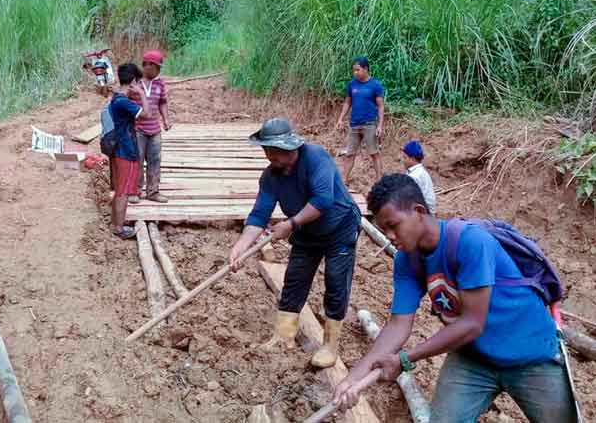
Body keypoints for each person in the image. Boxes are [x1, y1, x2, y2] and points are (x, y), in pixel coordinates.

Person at [333, 174, 578, 423]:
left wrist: (405, 359)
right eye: (383, 229)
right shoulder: (406, 260)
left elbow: (472, 323)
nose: (390, 236)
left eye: (393, 225)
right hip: (474, 358)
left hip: (531, 356)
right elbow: (398, 325)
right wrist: (352, 379)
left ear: (419, 211)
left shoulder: (469, 242)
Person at [229, 118, 361, 368]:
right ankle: (284, 335)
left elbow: (323, 200)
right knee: (294, 279)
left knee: (335, 282)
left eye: (274, 151)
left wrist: (289, 225)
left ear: (290, 147)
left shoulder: (315, 157)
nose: (269, 156)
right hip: (306, 233)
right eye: (266, 150)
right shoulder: (270, 176)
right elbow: (259, 214)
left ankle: (330, 345)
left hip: (339, 229)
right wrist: (241, 245)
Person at [109, 63, 153, 239]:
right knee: (124, 191)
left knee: (120, 189)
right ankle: (118, 228)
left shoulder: (116, 98)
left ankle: (116, 223)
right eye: (138, 83)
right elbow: (147, 114)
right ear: (134, 81)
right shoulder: (123, 102)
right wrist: (142, 94)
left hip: (120, 148)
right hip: (126, 150)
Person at [128, 50, 171, 204]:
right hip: (137, 129)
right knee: (137, 160)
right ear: (147, 66)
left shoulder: (160, 82)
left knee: (155, 160)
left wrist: (166, 119)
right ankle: (136, 191)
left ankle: (153, 191)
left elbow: (163, 102)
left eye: (159, 68)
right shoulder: (134, 83)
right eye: (156, 67)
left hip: (155, 130)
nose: (159, 70)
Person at [335, 57, 385, 185]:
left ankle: (379, 181)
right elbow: (347, 103)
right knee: (349, 154)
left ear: (365, 69)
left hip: (370, 124)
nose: (355, 73)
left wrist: (380, 126)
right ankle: (343, 180)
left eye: (357, 70)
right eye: (354, 70)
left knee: (374, 153)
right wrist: (340, 119)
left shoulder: (375, 85)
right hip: (354, 125)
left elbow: (380, 106)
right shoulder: (352, 85)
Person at [402, 140, 436, 214]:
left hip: (424, 212)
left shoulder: (414, 176)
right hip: (427, 209)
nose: (403, 161)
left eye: (405, 158)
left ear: (412, 159)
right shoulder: (420, 171)